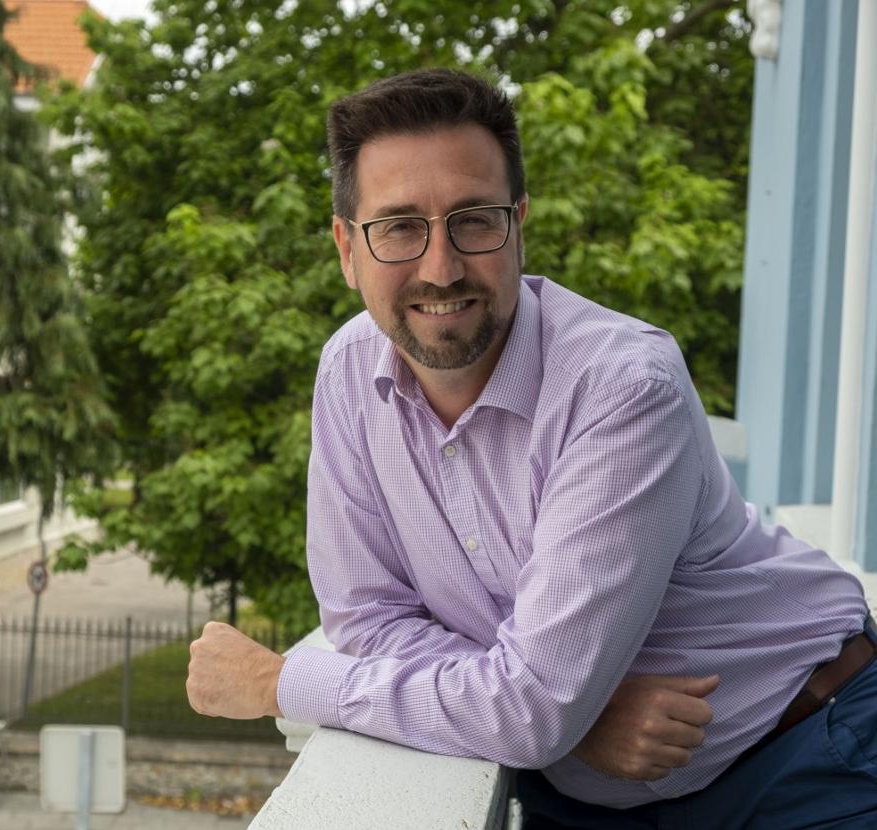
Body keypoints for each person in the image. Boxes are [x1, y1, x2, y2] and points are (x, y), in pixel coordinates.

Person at [185, 68, 877, 828]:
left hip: (812, 751)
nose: (441, 267)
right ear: (348, 249)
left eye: (473, 220)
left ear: (519, 225)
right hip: (589, 795)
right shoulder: (348, 376)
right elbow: (370, 621)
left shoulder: (622, 386)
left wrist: (286, 682)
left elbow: (533, 712)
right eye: (399, 227)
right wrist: (576, 721)